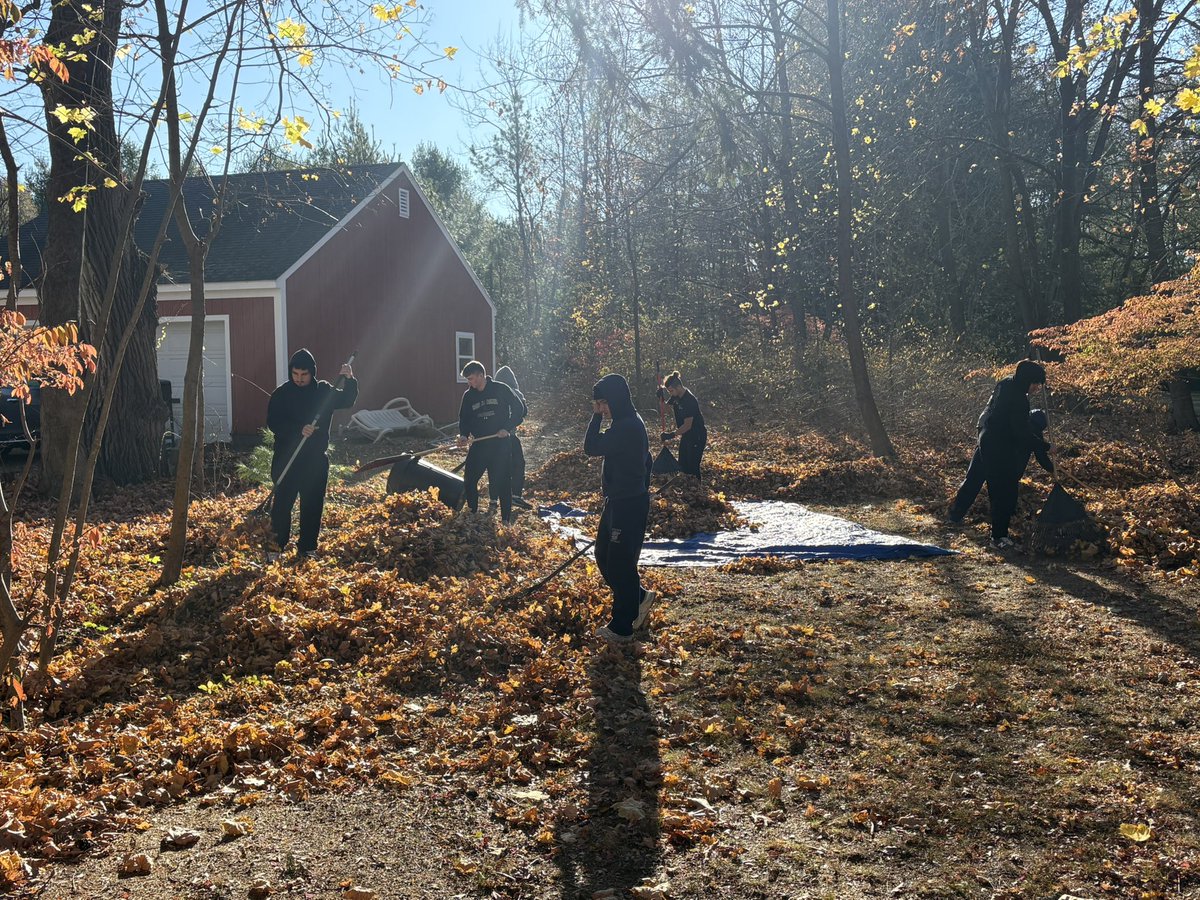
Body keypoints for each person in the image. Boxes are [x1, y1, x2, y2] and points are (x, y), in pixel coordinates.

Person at [585, 373, 657, 643]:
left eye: (603, 403)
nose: (601, 409)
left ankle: (622, 627)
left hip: (629, 504)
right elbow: (647, 461)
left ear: (616, 399)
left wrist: (595, 419)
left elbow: (590, 447)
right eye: (598, 404)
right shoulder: (624, 423)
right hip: (617, 500)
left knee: (620, 564)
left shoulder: (628, 426)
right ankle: (637, 596)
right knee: (603, 555)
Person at [947, 359, 1050, 548]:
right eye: (1035, 383)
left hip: (985, 438)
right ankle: (999, 537)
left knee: (974, 479)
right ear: (1027, 379)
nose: (1037, 388)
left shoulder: (1005, 384)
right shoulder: (1018, 399)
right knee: (1003, 490)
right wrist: (1045, 447)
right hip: (998, 447)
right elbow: (1020, 432)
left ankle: (954, 516)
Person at [266, 349, 358, 559]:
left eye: (304, 375)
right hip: (286, 458)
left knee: (312, 505)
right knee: (281, 506)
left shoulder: (324, 391)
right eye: (295, 374)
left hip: (315, 461)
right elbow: (274, 422)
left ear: (312, 373)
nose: (299, 379)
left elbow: (347, 400)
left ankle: (307, 548)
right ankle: (275, 549)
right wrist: (298, 430)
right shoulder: (281, 394)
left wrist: (350, 379)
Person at [948, 409, 1054, 525]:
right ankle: (1004, 523)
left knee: (972, 483)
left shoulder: (1010, 420)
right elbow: (1041, 456)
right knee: (1004, 493)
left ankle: (955, 516)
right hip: (1004, 465)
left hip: (985, 452)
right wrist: (1052, 467)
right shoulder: (1032, 433)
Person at [457, 360, 524, 524]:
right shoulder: (469, 396)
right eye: (468, 379)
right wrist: (464, 435)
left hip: (500, 444)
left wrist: (507, 428)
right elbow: (464, 419)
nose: (469, 382)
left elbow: (519, 409)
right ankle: (473, 512)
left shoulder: (500, 389)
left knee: (502, 483)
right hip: (479, 444)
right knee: (469, 480)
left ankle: (506, 520)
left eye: (471, 378)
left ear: (481, 375)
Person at [489, 365, 532, 512]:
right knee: (518, 464)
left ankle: (493, 499)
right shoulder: (515, 393)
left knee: (495, 468)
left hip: (492, 439)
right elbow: (523, 412)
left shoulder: (490, 393)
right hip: (509, 437)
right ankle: (515, 495)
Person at [658, 370, 707, 478]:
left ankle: (697, 490)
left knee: (692, 467)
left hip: (697, 435)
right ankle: (687, 490)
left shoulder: (689, 400)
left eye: (671, 391)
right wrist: (661, 398)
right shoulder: (676, 396)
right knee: (683, 465)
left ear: (678, 387)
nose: (670, 393)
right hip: (687, 435)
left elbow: (687, 425)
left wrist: (671, 435)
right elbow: (665, 409)